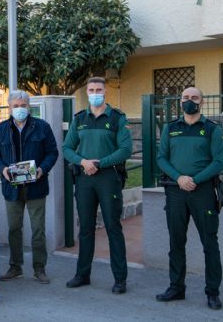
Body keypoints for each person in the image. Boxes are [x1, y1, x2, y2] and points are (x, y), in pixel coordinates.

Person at [155, 87, 223, 310]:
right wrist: (179, 178)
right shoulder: (170, 128)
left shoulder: (211, 129)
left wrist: (194, 179)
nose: (189, 101)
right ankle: (176, 287)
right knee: (176, 242)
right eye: (185, 97)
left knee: (210, 243)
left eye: (194, 98)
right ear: (180, 101)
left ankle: (212, 292)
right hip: (176, 192)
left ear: (201, 102)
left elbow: (219, 162)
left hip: (202, 192)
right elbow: (161, 158)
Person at [63, 77, 132, 294]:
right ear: (87, 92)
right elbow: (66, 148)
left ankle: (120, 279)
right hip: (84, 178)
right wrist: (83, 162)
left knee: (113, 227)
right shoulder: (80, 119)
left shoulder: (117, 118)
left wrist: (100, 163)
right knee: (85, 228)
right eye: (91, 90)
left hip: (108, 178)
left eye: (98, 89)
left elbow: (125, 149)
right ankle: (82, 275)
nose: (95, 93)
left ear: (105, 92)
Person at [0, 90, 59, 284]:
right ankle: (15, 266)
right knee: (14, 229)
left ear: (29, 107)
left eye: (23, 105)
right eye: (15, 106)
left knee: (38, 230)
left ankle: (39, 268)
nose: (20, 109)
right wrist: (2, 169)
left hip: (36, 187)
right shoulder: (2, 129)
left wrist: (42, 170)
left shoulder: (42, 127)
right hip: (11, 188)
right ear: (9, 108)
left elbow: (52, 153)